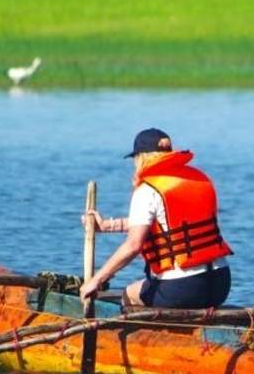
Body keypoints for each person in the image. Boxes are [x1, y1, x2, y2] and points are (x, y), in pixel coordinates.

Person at [78, 128, 232, 309]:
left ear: (141, 157)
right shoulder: (198, 178)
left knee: (129, 295)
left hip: (183, 288)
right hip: (220, 283)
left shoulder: (148, 189)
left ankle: (149, 337)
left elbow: (133, 245)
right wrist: (107, 225)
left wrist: (97, 280)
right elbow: (164, 223)